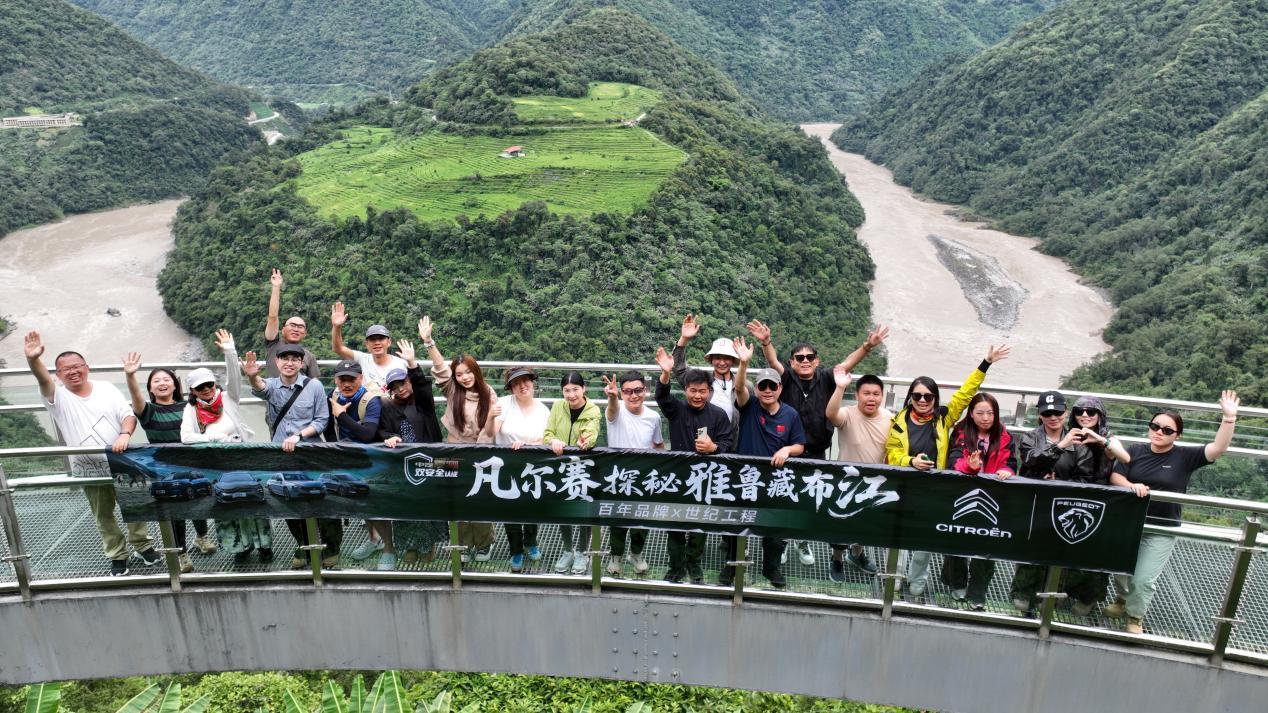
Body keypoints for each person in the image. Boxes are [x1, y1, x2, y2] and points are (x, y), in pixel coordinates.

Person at [749, 320, 889, 566]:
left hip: (816, 452)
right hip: (788, 451)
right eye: (799, 357)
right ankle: (781, 543)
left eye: (809, 357)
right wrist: (766, 342)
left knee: (808, 500)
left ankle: (802, 542)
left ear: (817, 360)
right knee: (784, 497)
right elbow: (773, 363)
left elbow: (846, 364)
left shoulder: (826, 378)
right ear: (792, 362)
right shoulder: (787, 380)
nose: (804, 361)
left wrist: (868, 346)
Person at [1105, 391, 1240, 634]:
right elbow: (1116, 475)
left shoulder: (1184, 456)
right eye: (1155, 426)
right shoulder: (1135, 450)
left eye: (1167, 430)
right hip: (1130, 522)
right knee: (1121, 572)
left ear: (1177, 435)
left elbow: (1218, 449)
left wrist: (1229, 418)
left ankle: (1135, 617)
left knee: (1143, 579)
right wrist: (1131, 486)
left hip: (1163, 526)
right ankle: (1123, 600)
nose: (1159, 432)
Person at [25, 331, 158, 576]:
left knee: (136, 505)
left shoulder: (106, 388)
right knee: (103, 513)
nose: (73, 371)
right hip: (87, 466)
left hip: (122, 458)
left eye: (77, 366)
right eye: (66, 369)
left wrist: (125, 434)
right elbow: (42, 379)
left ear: (87, 367)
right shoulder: (56, 396)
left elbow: (127, 415)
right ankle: (117, 555)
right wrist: (33, 360)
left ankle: (143, 545)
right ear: (58, 375)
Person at [886, 344, 1011, 603]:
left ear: (935, 399)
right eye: (917, 396)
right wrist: (910, 461)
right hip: (906, 485)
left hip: (935, 490)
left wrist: (985, 363)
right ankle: (895, 577)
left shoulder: (943, 418)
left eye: (928, 396)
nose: (922, 401)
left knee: (925, 537)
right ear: (909, 397)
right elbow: (892, 454)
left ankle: (917, 580)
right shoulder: (898, 422)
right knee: (899, 534)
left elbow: (966, 395)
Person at [719, 338, 805, 589]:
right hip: (745, 477)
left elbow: (800, 445)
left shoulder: (790, 414)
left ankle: (772, 569)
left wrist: (787, 449)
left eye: (772, 386)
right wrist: (743, 364)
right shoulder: (750, 407)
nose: (767, 390)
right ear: (757, 389)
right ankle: (731, 566)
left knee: (774, 530)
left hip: (776, 481)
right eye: (763, 386)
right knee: (735, 525)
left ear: (780, 389)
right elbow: (739, 389)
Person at [123, 351, 215, 574]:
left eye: (166, 380)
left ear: (175, 385)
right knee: (175, 510)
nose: (162, 383)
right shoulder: (148, 411)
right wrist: (130, 376)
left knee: (197, 502)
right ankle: (180, 551)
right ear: (151, 389)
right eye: (157, 381)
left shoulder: (189, 407)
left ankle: (201, 537)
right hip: (164, 469)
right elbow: (136, 398)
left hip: (193, 463)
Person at [244, 344, 335, 568]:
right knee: (288, 500)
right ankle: (303, 546)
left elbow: (322, 421)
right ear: (277, 362)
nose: (290, 362)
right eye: (285, 358)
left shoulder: (314, 386)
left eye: (295, 359)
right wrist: (253, 376)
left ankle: (331, 548)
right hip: (281, 454)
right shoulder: (273, 385)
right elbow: (260, 387)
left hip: (310, 451)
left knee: (321, 499)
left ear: (302, 363)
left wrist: (298, 436)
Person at [180, 332, 266, 564]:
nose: (207, 389)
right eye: (200, 387)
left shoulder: (229, 397)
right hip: (216, 462)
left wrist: (230, 351)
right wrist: (215, 439)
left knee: (252, 499)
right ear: (193, 391)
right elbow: (186, 437)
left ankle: (263, 545)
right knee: (226, 502)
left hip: (242, 456)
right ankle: (239, 547)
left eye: (209, 384)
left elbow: (234, 378)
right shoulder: (191, 410)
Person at [1010, 389, 1095, 615]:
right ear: (1040, 415)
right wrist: (1060, 446)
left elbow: (1085, 477)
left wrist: (1061, 483)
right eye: (1047, 413)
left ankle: (1048, 600)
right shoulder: (1030, 437)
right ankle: (1022, 594)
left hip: (1065, 507)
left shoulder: (1080, 444)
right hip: (1034, 504)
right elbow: (1030, 462)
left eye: (1057, 412)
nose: (1053, 417)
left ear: (1066, 413)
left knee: (1059, 552)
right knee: (1030, 550)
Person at [422, 316, 500, 563]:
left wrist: (488, 422)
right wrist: (428, 342)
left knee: (480, 498)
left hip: (480, 452)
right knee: (456, 497)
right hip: (453, 449)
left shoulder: (489, 394)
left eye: (468, 372)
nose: (465, 378)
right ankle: (462, 544)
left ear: (475, 371)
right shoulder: (453, 390)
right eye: (460, 374)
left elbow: (491, 431)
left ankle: (484, 543)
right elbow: (441, 370)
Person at [654, 346, 734, 584]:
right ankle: (676, 566)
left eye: (702, 391)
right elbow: (662, 397)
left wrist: (714, 448)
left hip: (705, 479)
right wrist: (666, 374)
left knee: (700, 526)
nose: (697, 396)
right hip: (677, 477)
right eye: (692, 391)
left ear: (709, 391)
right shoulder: (677, 410)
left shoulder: (718, 415)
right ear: (686, 390)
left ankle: (694, 564)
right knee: (675, 525)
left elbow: (727, 442)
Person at [1059, 395, 1132, 616]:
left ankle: (1088, 598)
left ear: (1100, 415)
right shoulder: (1068, 435)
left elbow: (1124, 457)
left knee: (1095, 552)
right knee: (1067, 547)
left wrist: (1100, 439)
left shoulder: (1107, 437)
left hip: (1099, 500)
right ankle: (1064, 593)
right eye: (1080, 411)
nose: (1084, 415)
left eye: (1091, 412)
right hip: (1070, 495)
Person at [940, 393, 1015, 610]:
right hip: (962, 496)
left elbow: (1011, 462)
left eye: (990, 413)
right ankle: (957, 583)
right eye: (980, 413)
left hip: (991, 498)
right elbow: (953, 461)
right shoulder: (961, 435)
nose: (986, 418)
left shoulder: (1005, 436)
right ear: (971, 414)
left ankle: (978, 591)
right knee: (958, 540)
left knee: (986, 546)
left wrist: (1007, 470)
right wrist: (970, 467)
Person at [377, 340, 447, 566]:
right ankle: (410, 546)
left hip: (430, 460)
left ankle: (429, 545)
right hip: (403, 463)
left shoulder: (423, 403)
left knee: (428, 504)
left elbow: (423, 385)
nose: (401, 389)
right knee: (405, 504)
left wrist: (412, 363)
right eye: (395, 387)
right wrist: (388, 437)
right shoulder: (387, 406)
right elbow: (383, 429)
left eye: (404, 383)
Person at [824, 367, 892, 580]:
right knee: (840, 522)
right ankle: (837, 559)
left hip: (873, 483)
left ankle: (857, 554)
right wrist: (840, 387)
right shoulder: (848, 414)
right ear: (858, 395)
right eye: (866, 393)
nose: (871, 398)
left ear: (881, 396)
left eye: (876, 394)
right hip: (846, 481)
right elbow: (831, 414)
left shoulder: (890, 419)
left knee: (865, 524)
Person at [601, 370, 665, 577]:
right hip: (618, 476)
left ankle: (636, 554)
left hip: (644, 477)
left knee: (642, 520)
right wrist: (612, 398)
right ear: (622, 393)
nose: (634, 395)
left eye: (638, 390)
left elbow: (658, 444)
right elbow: (611, 411)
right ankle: (616, 556)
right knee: (618, 520)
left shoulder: (653, 417)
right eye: (628, 391)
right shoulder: (616, 411)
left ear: (645, 390)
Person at [493, 366, 550, 573]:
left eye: (525, 381)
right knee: (511, 509)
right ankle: (515, 549)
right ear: (510, 388)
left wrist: (532, 445)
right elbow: (493, 431)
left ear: (532, 382)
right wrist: (491, 416)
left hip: (533, 466)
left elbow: (547, 437)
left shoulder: (543, 410)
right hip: (507, 465)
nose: (522, 386)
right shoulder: (504, 404)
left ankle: (531, 541)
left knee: (533, 506)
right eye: (516, 383)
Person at [544, 371, 602, 575]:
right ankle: (568, 550)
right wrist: (553, 442)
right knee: (563, 509)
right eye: (566, 390)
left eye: (575, 389)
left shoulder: (592, 410)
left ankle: (582, 552)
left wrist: (584, 440)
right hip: (560, 467)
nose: (571, 395)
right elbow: (548, 434)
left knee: (582, 511)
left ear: (583, 389)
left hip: (582, 467)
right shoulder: (559, 406)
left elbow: (592, 433)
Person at [671, 314, 743, 423]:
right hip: (703, 435)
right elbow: (678, 368)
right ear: (711, 359)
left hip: (733, 438)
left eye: (727, 358)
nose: (722, 363)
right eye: (718, 358)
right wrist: (684, 339)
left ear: (732, 360)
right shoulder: (701, 380)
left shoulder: (743, 386)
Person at [330, 301, 406, 394]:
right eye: (373, 340)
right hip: (367, 406)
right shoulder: (362, 359)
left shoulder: (401, 364)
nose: (377, 343)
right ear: (367, 344)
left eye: (381, 339)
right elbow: (338, 348)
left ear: (389, 342)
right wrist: (337, 327)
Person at [262, 269, 320, 378]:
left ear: (305, 333)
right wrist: (276, 287)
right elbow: (273, 317)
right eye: (292, 325)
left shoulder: (309, 356)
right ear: (283, 330)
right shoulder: (273, 345)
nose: (296, 329)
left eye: (300, 327)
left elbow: (314, 384)